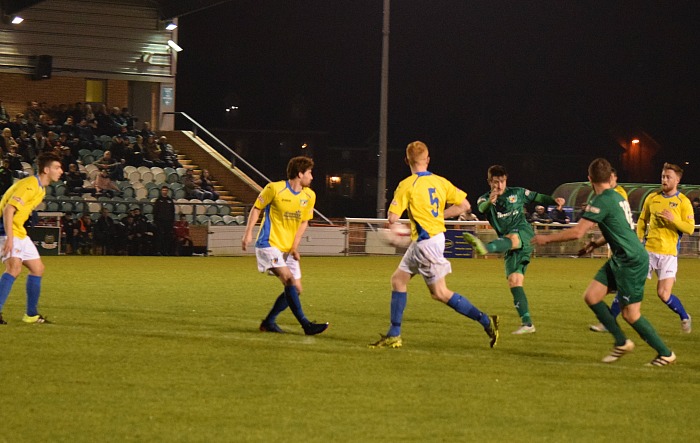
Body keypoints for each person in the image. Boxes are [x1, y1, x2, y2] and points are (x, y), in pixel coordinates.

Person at [532, 158, 676, 366]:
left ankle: (665, 353)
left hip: (631, 261)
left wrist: (546, 239)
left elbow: (577, 231)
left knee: (631, 314)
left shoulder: (602, 201)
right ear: (610, 177)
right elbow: (617, 229)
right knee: (592, 296)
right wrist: (594, 245)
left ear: (589, 179)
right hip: (621, 257)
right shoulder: (617, 197)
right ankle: (621, 341)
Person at [368, 141, 499, 349]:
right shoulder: (440, 182)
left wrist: (393, 228)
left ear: (406, 161)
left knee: (440, 293)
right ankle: (394, 334)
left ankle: (485, 320)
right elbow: (464, 206)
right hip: (429, 239)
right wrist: (439, 215)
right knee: (398, 280)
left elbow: (392, 218)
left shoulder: (406, 185)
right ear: (427, 160)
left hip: (425, 243)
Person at [463, 165, 564, 334]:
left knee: (513, 237)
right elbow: (482, 209)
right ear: (489, 182)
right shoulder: (484, 199)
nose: (499, 186)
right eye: (496, 182)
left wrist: (555, 201)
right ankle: (527, 323)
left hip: (523, 234)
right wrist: (491, 201)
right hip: (509, 245)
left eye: (502, 182)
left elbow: (537, 197)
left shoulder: (517, 193)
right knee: (514, 281)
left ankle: (486, 249)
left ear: (506, 181)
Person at [241, 155, 328, 336]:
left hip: (287, 249)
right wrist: (248, 233)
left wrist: (295, 246)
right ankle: (306, 325)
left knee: (296, 289)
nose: (312, 177)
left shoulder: (309, 195)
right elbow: (257, 208)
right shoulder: (274, 188)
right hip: (268, 244)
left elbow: (304, 221)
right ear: (299, 173)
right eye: (310, 173)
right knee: (289, 280)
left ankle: (268, 322)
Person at [0, 152, 63, 325]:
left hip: (18, 231)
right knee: (14, 268)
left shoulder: (40, 189)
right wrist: (9, 238)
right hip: (6, 230)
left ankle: (31, 315)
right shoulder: (29, 185)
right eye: (57, 167)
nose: (61, 171)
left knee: (38, 268)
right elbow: (8, 210)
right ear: (46, 169)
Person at [634, 163, 693, 332]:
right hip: (649, 251)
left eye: (668, 177)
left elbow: (689, 228)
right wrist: (639, 238)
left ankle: (684, 316)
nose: (664, 180)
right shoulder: (652, 197)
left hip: (668, 254)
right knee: (632, 284)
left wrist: (673, 220)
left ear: (678, 180)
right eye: (663, 176)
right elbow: (642, 220)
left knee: (663, 294)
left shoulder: (683, 202)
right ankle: (608, 321)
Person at [153, 186, 176, 256]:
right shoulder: (158, 200)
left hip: (168, 222)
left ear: (167, 191)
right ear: (161, 191)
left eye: (166, 190)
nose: (164, 191)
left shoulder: (170, 201)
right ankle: (158, 251)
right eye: (163, 190)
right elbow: (155, 211)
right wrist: (156, 221)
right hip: (160, 222)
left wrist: (172, 221)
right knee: (159, 237)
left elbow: (173, 212)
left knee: (167, 237)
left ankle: (165, 251)